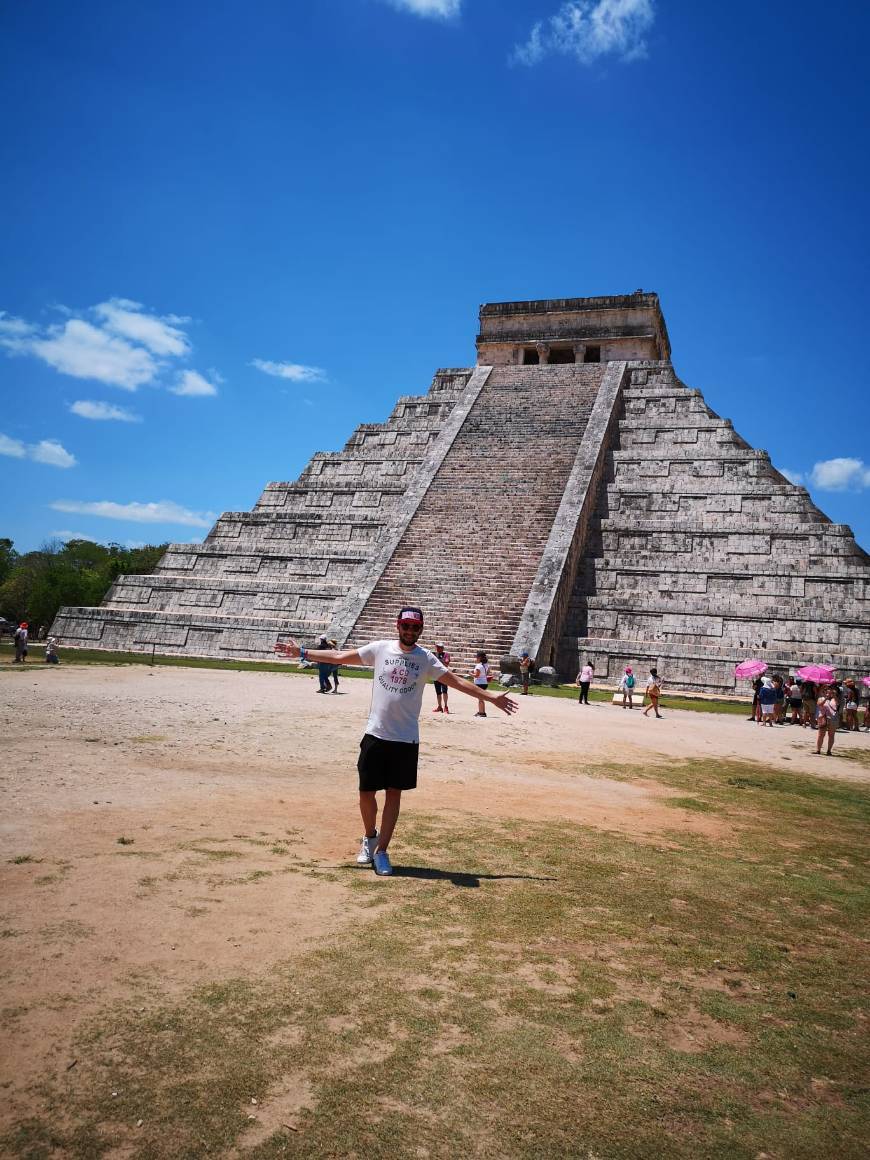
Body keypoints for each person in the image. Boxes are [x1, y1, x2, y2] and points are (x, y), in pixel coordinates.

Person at [274, 608, 517, 875]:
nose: (410, 632)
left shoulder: (426, 659)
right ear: (398, 626)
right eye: (406, 626)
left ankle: (382, 852)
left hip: (405, 738)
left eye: (415, 628)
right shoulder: (380, 649)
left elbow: (457, 681)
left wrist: (492, 698)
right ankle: (370, 837)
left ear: (421, 629)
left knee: (393, 794)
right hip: (376, 733)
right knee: (366, 792)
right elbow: (340, 656)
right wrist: (303, 653)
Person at [815, 685, 840, 755]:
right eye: (826, 690)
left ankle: (829, 751)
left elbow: (838, 704)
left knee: (831, 735)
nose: (828, 691)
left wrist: (834, 695)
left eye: (829, 690)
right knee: (821, 735)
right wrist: (826, 698)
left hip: (832, 719)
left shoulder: (834, 699)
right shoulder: (821, 698)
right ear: (824, 691)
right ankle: (818, 750)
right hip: (823, 718)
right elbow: (819, 704)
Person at [432, 642, 451, 712]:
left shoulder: (446, 655)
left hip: (444, 675)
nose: (438, 648)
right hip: (436, 675)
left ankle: (446, 706)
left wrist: (438, 661)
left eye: (439, 647)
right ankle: (439, 706)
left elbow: (446, 663)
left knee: (444, 691)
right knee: (438, 692)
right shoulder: (434, 654)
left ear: (442, 648)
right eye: (437, 647)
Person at [472, 650, 491, 717]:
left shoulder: (479, 666)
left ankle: (481, 712)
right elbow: (488, 673)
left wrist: (471, 674)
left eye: (477, 657)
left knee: (480, 699)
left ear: (479, 658)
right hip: (484, 683)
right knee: (481, 698)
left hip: (479, 683)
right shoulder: (487, 665)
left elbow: (476, 675)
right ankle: (482, 711)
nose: (476, 658)